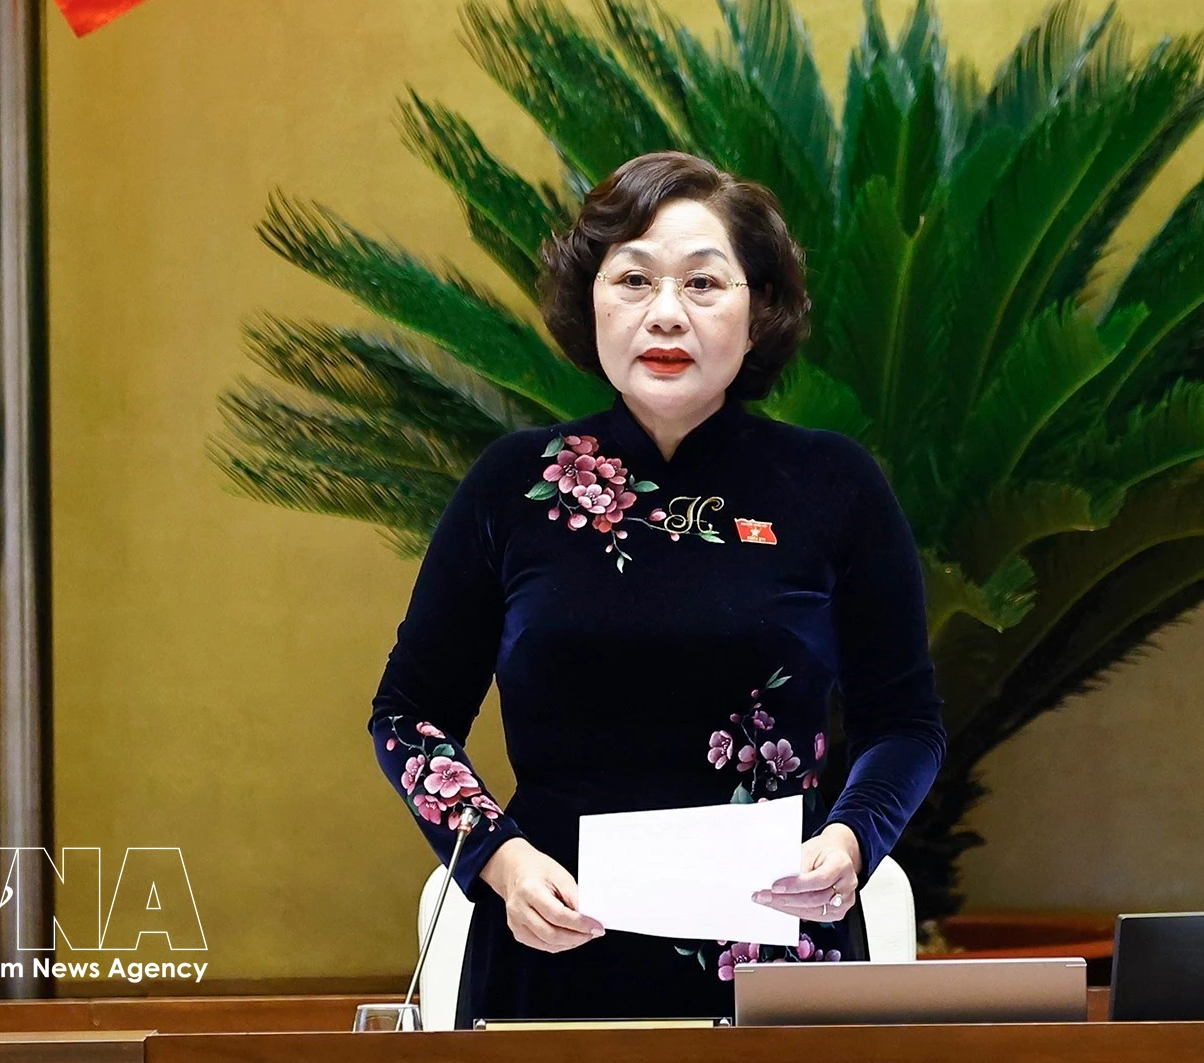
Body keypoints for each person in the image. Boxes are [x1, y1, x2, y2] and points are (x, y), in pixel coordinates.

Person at [368, 149, 947, 1027]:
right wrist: (498, 858)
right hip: (553, 945)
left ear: (759, 311)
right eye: (633, 279)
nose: (665, 313)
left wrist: (851, 838)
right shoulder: (510, 485)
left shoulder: (834, 484)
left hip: (780, 948)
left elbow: (904, 723)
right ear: (590, 303)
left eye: (703, 284)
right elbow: (409, 716)